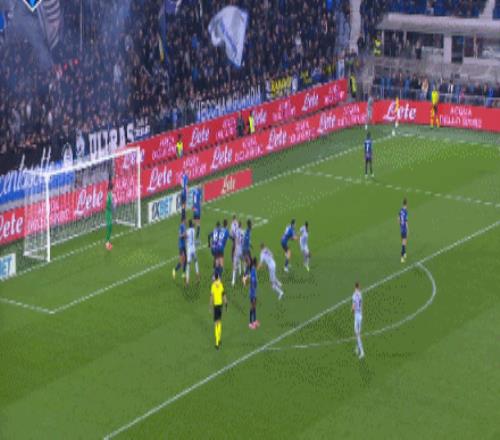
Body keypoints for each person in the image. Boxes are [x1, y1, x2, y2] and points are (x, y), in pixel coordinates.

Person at [210, 273, 227, 349]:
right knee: (219, 322)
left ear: (215, 278)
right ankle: (219, 339)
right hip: (220, 305)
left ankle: (217, 343)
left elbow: (211, 297)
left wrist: (210, 306)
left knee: (215, 324)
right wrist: (226, 303)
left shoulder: (213, 286)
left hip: (216, 306)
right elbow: (224, 295)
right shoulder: (221, 284)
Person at [352, 282, 365, 359]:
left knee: (357, 334)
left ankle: (362, 352)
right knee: (358, 333)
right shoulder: (360, 294)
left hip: (357, 316)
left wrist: (352, 310)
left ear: (355, 287)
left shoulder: (354, 295)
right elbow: (361, 304)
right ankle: (357, 348)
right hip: (360, 315)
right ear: (358, 287)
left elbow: (353, 306)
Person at [185, 219, 200, 285]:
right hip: (193, 248)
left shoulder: (187, 231)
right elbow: (194, 227)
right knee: (195, 261)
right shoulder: (193, 230)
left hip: (189, 249)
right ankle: (197, 277)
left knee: (188, 264)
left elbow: (185, 237)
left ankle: (187, 281)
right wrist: (197, 224)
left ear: (188, 225)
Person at [232, 221, 244, 287]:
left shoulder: (236, 231)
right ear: (241, 225)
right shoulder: (243, 232)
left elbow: (236, 240)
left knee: (234, 265)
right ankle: (243, 273)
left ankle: (233, 281)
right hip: (242, 250)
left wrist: (235, 250)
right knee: (244, 261)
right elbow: (244, 241)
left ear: (238, 225)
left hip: (237, 250)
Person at [248, 258, 259, 329]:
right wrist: (253, 291)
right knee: (252, 306)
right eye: (257, 263)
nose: (257, 264)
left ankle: (254, 321)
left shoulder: (254, 270)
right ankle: (250, 322)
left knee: (254, 306)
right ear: (255, 264)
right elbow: (252, 282)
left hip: (254, 291)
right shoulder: (253, 271)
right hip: (252, 292)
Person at [399, 198, 409, 263]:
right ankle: (402, 257)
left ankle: (404, 253)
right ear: (406, 204)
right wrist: (408, 229)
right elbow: (406, 221)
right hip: (404, 229)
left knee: (404, 241)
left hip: (401, 228)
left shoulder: (400, 211)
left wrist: (400, 225)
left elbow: (398, 219)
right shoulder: (405, 211)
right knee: (404, 242)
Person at [105, 181, 114, 251]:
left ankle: (108, 241)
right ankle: (107, 243)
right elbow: (108, 204)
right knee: (109, 227)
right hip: (108, 212)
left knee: (110, 227)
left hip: (109, 212)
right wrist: (112, 208)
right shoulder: (109, 194)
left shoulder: (110, 194)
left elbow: (110, 203)